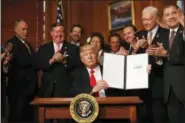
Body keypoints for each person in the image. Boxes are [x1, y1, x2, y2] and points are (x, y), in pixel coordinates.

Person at [147, 5, 185, 123]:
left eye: (174, 13)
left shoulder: (183, 31)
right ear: (163, 19)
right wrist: (158, 58)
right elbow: (162, 61)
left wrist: (166, 53)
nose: (171, 17)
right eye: (167, 15)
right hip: (169, 91)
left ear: (180, 14)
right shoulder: (163, 35)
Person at [136, 6, 168, 123]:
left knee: (159, 117)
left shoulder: (166, 33)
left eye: (148, 19)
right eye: (143, 19)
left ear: (156, 18)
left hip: (159, 84)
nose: (145, 22)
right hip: (142, 86)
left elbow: (167, 57)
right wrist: (138, 49)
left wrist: (153, 52)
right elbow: (136, 59)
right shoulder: (139, 34)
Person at [5, 19, 38, 123]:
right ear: (15, 30)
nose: (26, 32)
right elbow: (22, 61)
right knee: (18, 117)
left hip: (30, 89)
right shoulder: (11, 43)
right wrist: (37, 59)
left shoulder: (27, 44)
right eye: (23, 29)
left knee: (29, 117)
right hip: (18, 89)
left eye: (27, 29)